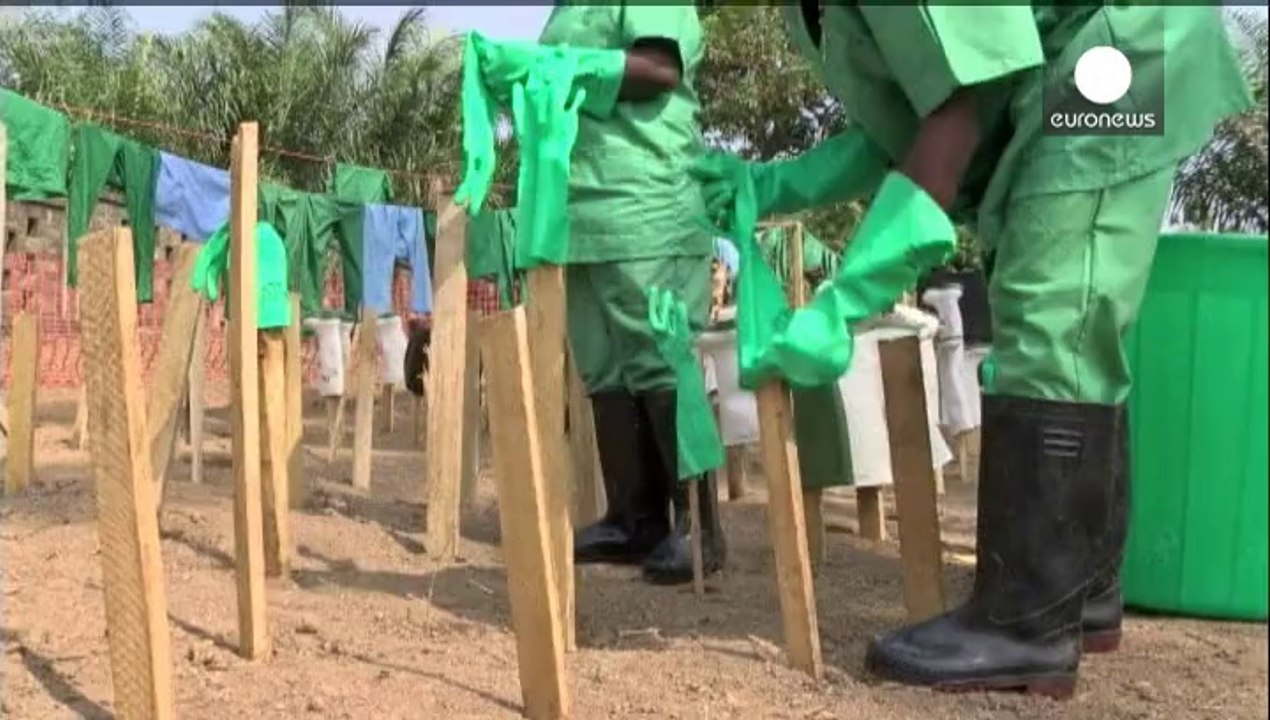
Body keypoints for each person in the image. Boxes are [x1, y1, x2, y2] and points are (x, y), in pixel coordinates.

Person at [695, 3, 1250, 696]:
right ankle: (1083, 588)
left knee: (1052, 303)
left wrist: (844, 301)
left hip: (1119, 53)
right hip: (1069, 63)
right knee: (1062, 311)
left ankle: (1028, 623)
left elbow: (959, 108)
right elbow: (910, 123)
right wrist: (777, 183)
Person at [538, 4, 725, 586]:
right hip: (581, 209)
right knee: (603, 363)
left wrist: (564, 68)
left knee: (657, 354)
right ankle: (632, 519)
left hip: (645, 200)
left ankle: (698, 527)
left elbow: (657, 69)